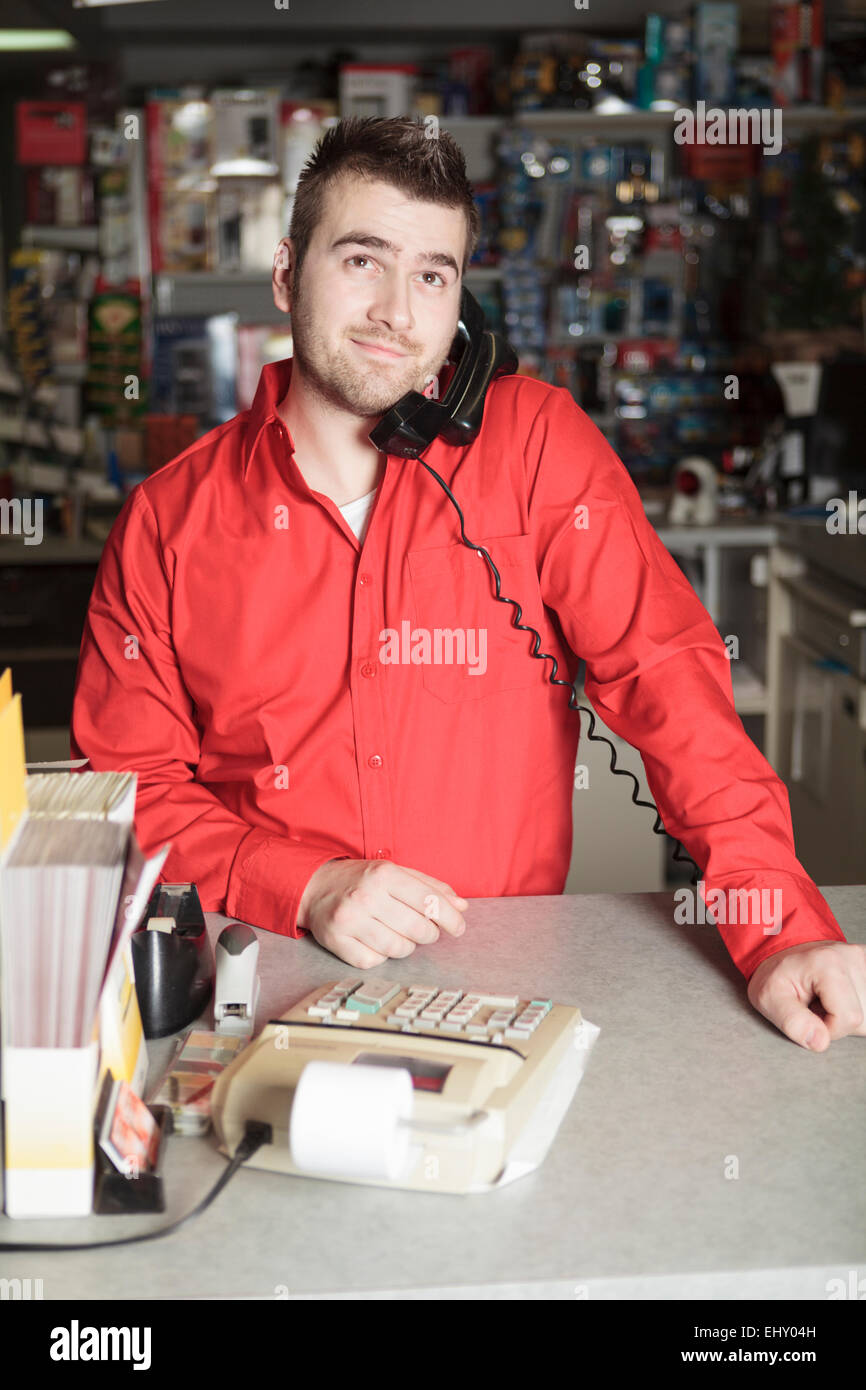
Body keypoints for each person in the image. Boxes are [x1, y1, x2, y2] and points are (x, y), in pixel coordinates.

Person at [71, 116, 865, 1052]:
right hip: (261, 976)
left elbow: (669, 682)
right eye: (363, 260)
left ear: (461, 307)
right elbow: (131, 789)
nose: (397, 313)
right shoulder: (169, 518)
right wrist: (304, 883)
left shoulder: (535, 446)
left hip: (506, 986)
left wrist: (784, 928)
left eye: (433, 276)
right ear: (287, 272)